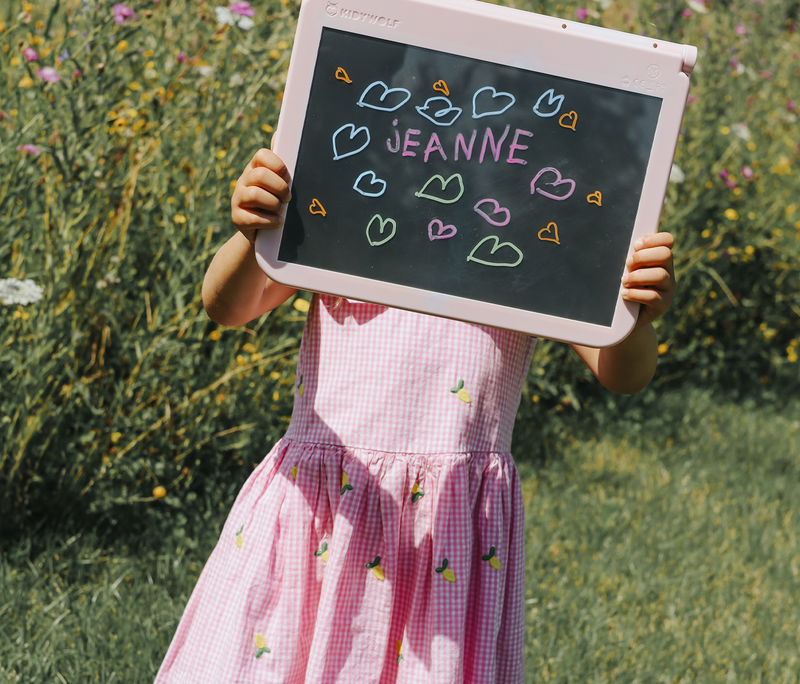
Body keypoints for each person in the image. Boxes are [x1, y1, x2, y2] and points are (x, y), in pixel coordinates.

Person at [154, 137, 676, 684]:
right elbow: (230, 305)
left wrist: (635, 313)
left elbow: (623, 373)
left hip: (446, 526)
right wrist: (253, 231)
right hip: (325, 503)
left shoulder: (529, 221)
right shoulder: (354, 184)